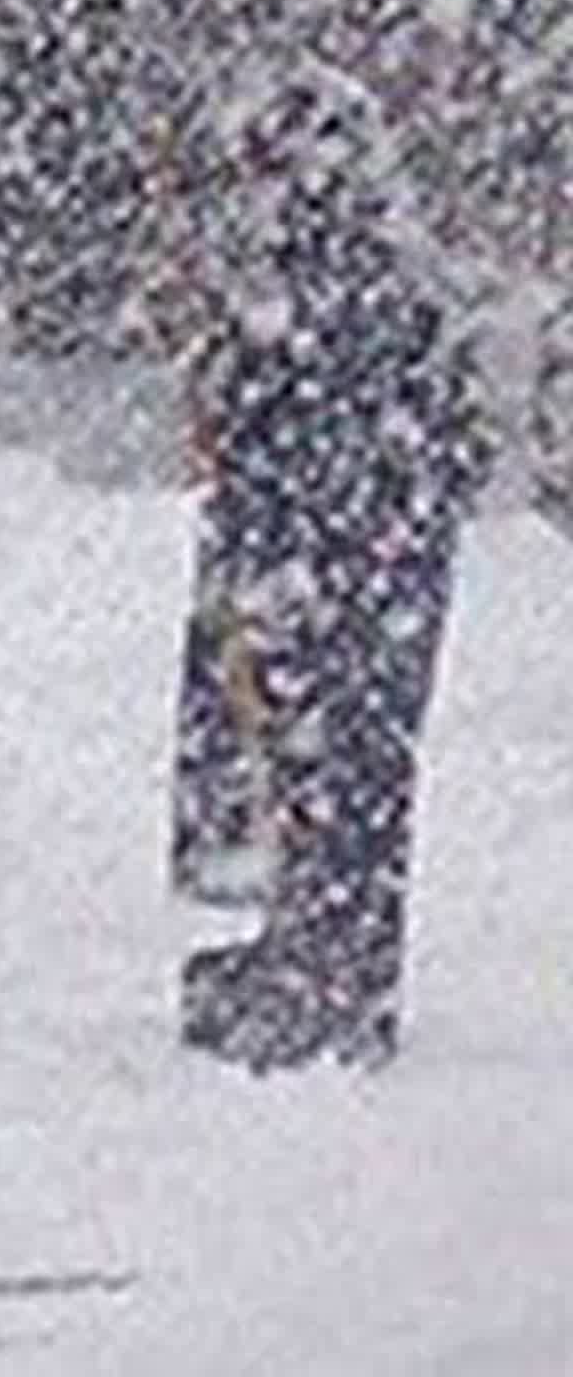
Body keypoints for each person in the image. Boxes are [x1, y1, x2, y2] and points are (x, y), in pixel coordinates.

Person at [174, 66, 488, 1072]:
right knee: (354, 773)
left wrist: (265, 562)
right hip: (380, 564)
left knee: (325, 767)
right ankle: (329, 967)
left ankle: (320, 987)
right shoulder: (393, 274)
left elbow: (295, 439)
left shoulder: (324, 286)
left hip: (335, 564)